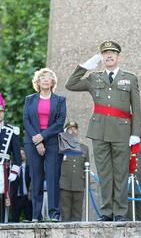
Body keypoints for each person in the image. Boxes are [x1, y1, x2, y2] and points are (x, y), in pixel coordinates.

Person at [65, 40, 141, 221]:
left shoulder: (130, 78)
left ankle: (120, 213)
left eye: (112, 53)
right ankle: (107, 212)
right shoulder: (94, 77)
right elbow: (71, 84)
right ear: (101, 57)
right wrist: (84, 67)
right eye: (105, 53)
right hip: (99, 132)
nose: (109, 56)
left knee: (121, 174)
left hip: (122, 132)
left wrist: (135, 134)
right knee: (105, 174)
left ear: (118, 57)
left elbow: (136, 109)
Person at [23, 68, 66, 222]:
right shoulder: (29, 99)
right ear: (38, 82)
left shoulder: (60, 100)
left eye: (48, 77)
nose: (46, 80)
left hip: (53, 142)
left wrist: (42, 136)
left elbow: (60, 123)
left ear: (52, 82)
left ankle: (54, 214)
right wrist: (37, 139)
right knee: (36, 178)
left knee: (53, 177)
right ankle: (36, 215)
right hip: (32, 141)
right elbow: (26, 120)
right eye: (42, 77)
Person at [59, 121, 89, 221]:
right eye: (69, 129)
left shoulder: (84, 148)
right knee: (65, 213)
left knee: (77, 213)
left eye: (74, 129)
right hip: (65, 184)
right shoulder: (61, 147)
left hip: (79, 184)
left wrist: (87, 184)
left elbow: (87, 168)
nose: (72, 131)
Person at [0, 93, 21, 222]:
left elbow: (17, 156)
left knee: (4, 199)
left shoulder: (11, 130)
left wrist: (14, 171)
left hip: (4, 169)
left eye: (1, 111)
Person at [10, 147, 32, 222]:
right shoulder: (12, 168)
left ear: (26, 155)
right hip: (16, 197)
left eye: (23, 154)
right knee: (14, 220)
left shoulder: (30, 168)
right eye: (19, 154)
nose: (21, 156)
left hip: (27, 198)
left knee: (29, 219)